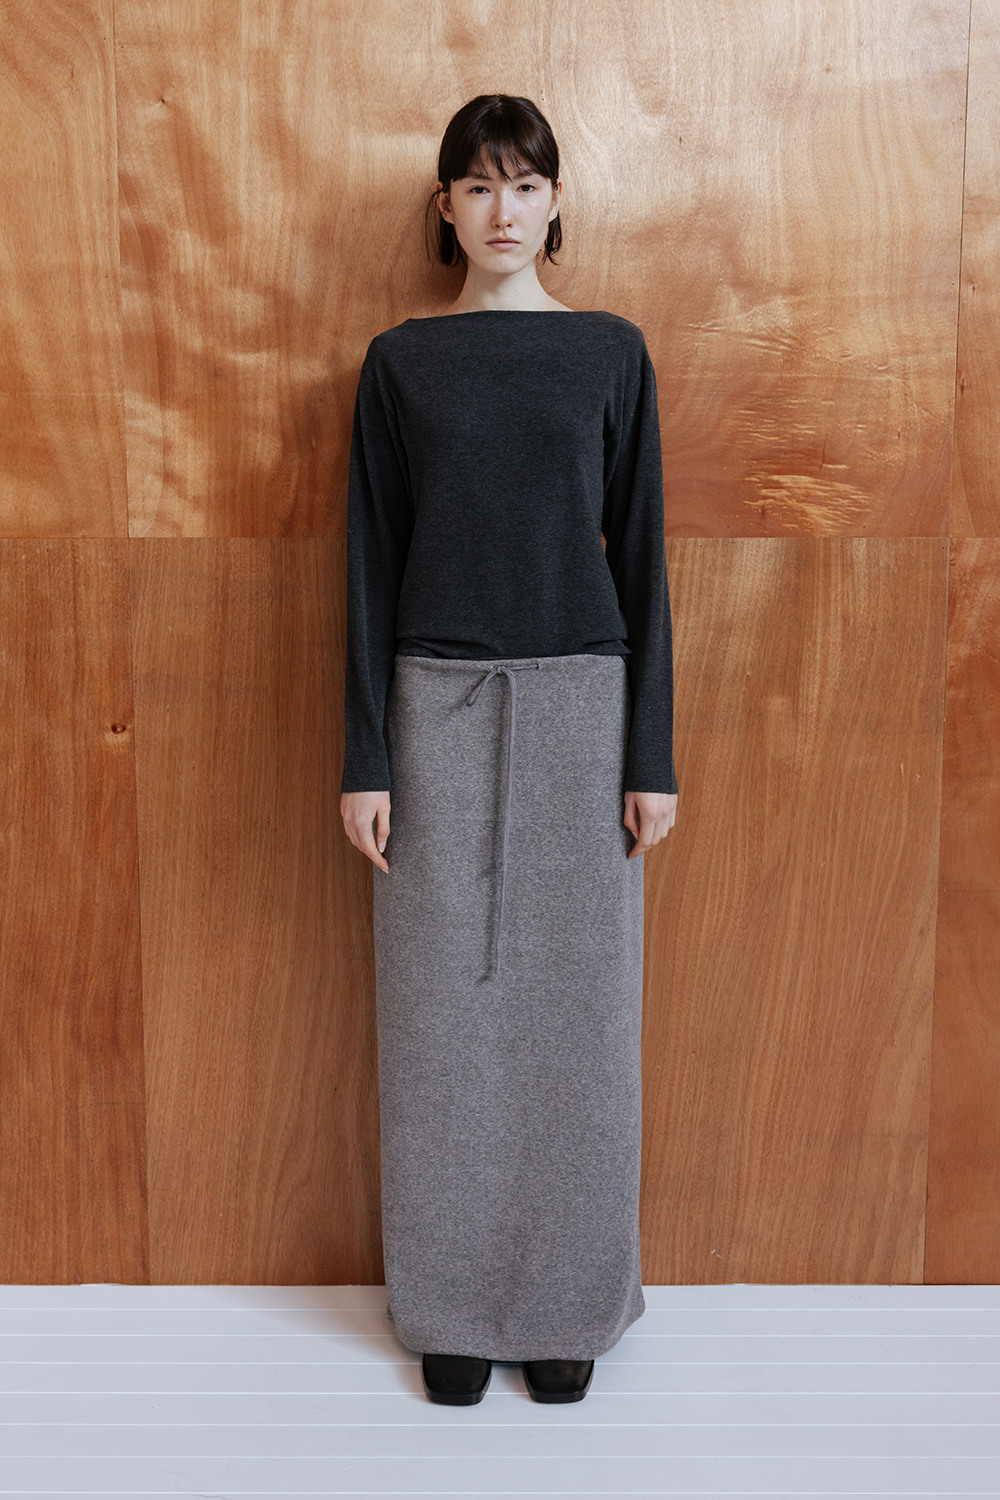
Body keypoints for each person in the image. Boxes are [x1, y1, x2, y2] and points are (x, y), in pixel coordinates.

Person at [340, 94, 678, 1407]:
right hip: (435, 709)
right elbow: (370, 568)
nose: (502, 210)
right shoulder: (401, 366)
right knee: (442, 1024)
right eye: (477, 187)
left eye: (524, 184)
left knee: (579, 1024)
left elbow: (641, 560)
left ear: (555, 201)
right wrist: (367, 759)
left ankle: (568, 1310)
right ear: (445, 208)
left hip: (583, 712)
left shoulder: (610, 353)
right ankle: (453, 1310)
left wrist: (649, 756)